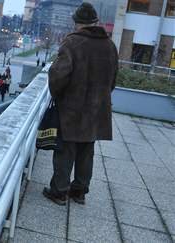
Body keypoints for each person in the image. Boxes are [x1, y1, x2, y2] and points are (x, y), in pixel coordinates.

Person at [43, 2, 119, 206]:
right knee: (87, 152)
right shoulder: (110, 46)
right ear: (96, 22)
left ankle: (59, 192)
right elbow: (113, 81)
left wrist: (58, 95)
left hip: (72, 109)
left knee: (65, 151)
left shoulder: (72, 43)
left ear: (77, 23)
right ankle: (79, 192)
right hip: (97, 110)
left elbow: (58, 77)